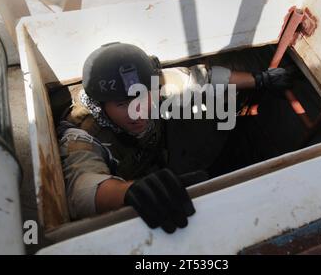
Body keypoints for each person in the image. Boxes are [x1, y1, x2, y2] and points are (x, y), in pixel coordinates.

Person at [58, 42, 293, 233]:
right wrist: (129, 193)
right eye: (122, 104)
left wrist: (260, 79)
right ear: (101, 105)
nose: (137, 111)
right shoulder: (82, 131)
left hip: (154, 159)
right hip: (127, 186)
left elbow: (204, 78)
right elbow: (81, 186)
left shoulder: (156, 82)